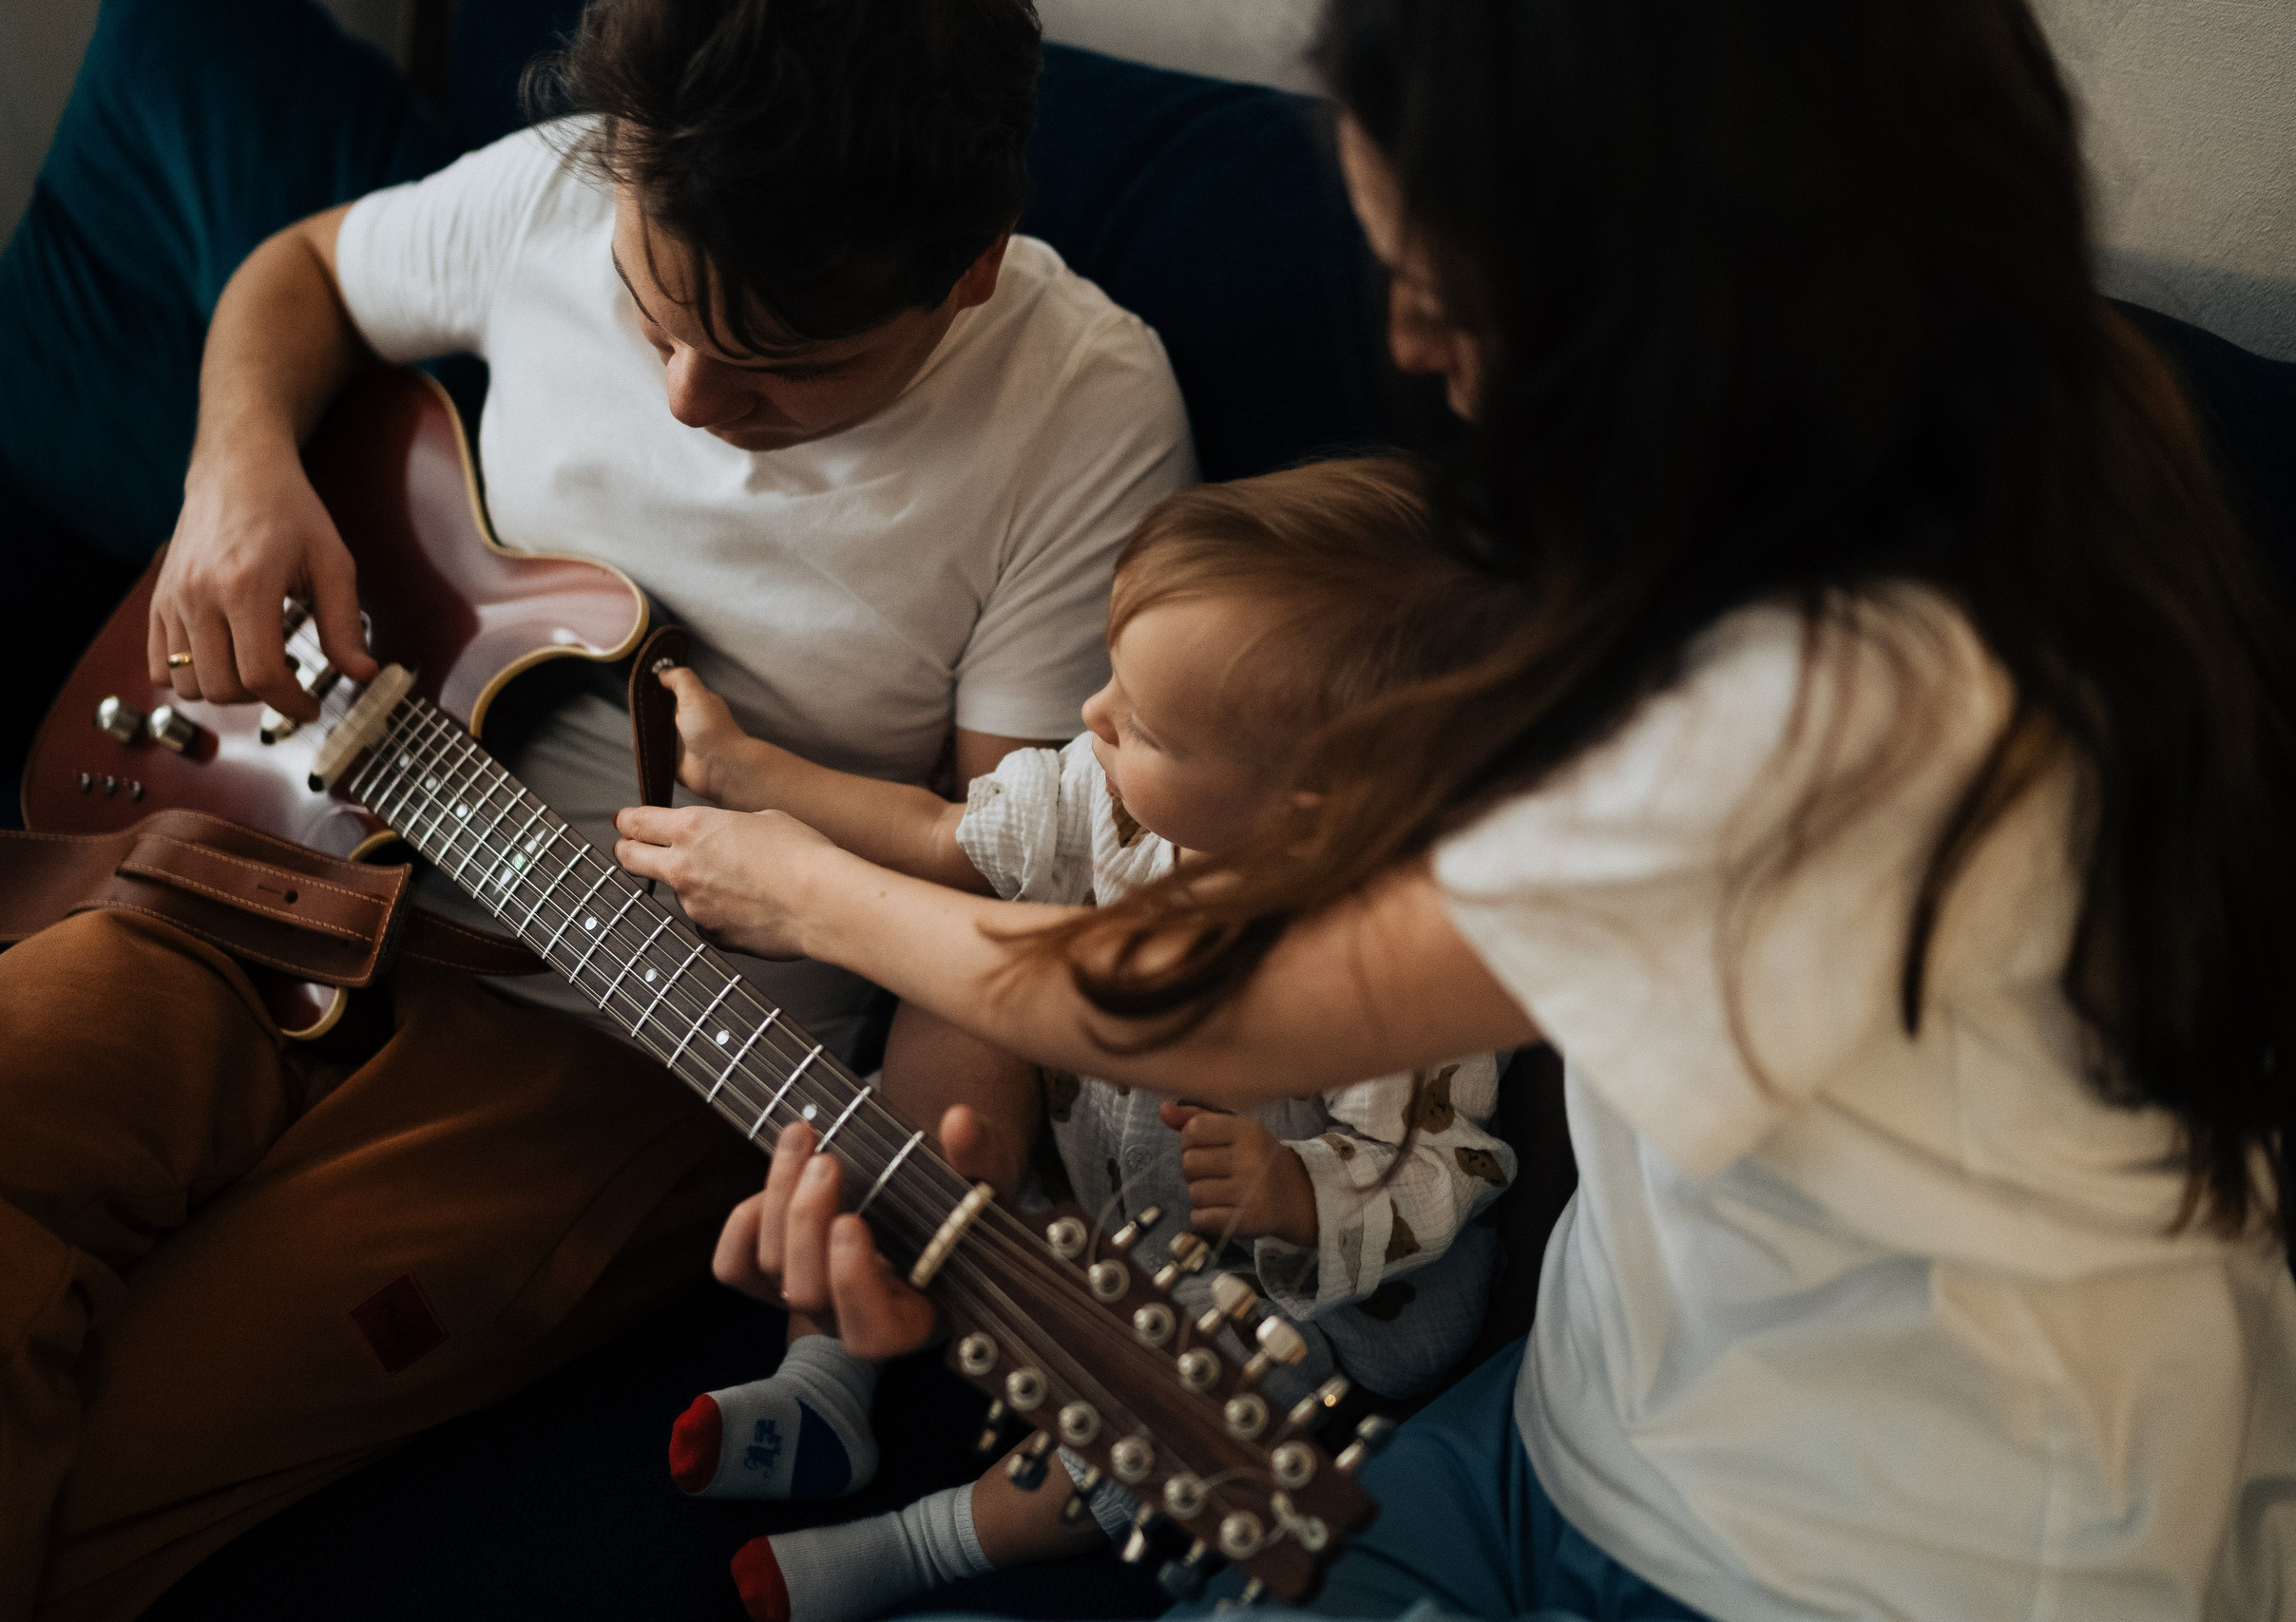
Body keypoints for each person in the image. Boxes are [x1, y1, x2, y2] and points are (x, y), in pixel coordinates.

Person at [616, 1, 2296, 1617]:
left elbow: (1220, 1006)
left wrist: (807, 892)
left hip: (1897, 1555)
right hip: (1585, 1420)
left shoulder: (1848, 700)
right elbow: (1219, 862)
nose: (1414, 349)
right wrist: (950, 1152)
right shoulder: (1699, 532)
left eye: (1451, 294)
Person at [0, 1, 1193, 1616]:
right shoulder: (566, 180)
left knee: (130, 1415)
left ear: (972, 264)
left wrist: (929, 1157)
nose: (696, 397)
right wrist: (236, 478)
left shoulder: (1085, 413)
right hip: (286, 861)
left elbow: (994, 893)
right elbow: (298, 273)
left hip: (624, 1058)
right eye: (650, 313)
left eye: (785, 369)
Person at [633, 458, 1515, 1622]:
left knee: (1193, 1398)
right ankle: (827, 1379)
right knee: (947, 979)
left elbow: (1433, 1167)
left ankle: (931, 1541)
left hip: (1287, 1289)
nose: (1091, 717)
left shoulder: (1399, 959)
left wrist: (1292, 1194)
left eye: (1140, 722)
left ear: (1310, 806)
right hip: (1094, 1167)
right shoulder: (1112, 794)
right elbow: (948, 838)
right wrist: (753, 776)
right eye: (1109, 681)